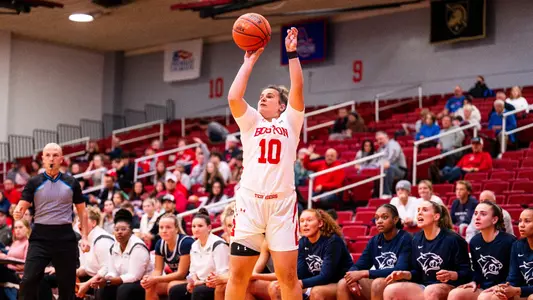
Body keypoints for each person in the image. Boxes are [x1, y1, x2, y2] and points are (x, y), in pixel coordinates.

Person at [224, 27, 305, 300]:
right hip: (250, 204)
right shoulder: (251, 121)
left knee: (288, 278)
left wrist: (292, 53)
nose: (263, 98)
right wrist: (248, 62)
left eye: (269, 96)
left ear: (282, 105)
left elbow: (298, 87)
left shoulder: (291, 122)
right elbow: (234, 97)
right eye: (261, 95)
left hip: (281, 206)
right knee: (237, 276)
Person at [13, 143, 90, 300]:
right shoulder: (34, 182)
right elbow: (22, 205)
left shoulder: (72, 182)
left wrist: (85, 237)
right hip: (40, 237)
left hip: (65, 237)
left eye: (55, 155)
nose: (51, 159)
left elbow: (82, 211)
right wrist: (18, 212)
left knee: (67, 286)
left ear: (61, 159)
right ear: (42, 159)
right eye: (48, 155)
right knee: (28, 280)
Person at [383, 201, 471, 300]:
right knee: (390, 290)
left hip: (452, 287)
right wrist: (406, 274)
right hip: (424, 286)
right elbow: (417, 272)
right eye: (418, 210)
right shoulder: (416, 239)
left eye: (424, 210)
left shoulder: (454, 239)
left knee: (431, 291)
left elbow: (467, 273)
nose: (419, 213)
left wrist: (452, 275)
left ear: (436, 217)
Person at [268, 209, 353, 300]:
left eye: (309, 220)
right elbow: (300, 272)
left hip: (339, 283)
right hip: (315, 283)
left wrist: (300, 283)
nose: (305, 224)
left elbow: (326, 276)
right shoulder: (302, 242)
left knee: (317, 292)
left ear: (320, 223)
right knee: (275, 287)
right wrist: (288, 282)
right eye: (302, 221)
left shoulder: (333, 241)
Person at [337, 204, 412, 300]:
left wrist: (366, 273)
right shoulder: (374, 241)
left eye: (384, 217)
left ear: (395, 219)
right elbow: (359, 265)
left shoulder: (406, 238)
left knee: (378, 283)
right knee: (343, 283)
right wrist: (351, 278)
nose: (379, 221)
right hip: (380, 281)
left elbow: (400, 269)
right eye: (377, 218)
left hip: (401, 282)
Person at [448, 201, 516, 300]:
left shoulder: (510, 241)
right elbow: (477, 270)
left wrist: (501, 286)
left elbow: (515, 273)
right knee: (455, 294)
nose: (477, 217)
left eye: (483, 214)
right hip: (485, 288)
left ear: (494, 219)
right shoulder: (474, 241)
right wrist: (474, 281)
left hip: (505, 288)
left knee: (484, 298)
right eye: (476, 213)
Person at [91, 209, 153, 300]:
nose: (119, 232)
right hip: (124, 282)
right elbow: (112, 272)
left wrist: (108, 281)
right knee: (102, 289)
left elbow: (134, 276)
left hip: (144, 283)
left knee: (124, 289)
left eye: (123, 229)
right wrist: (104, 279)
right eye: (116, 229)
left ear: (131, 231)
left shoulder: (138, 246)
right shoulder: (114, 247)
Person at [168, 208, 230, 300]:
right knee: (175, 291)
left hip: (216, 284)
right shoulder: (194, 245)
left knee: (199, 291)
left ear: (209, 228)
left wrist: (200, 283)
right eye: (194, 226)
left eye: (200, 226)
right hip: (199, 283)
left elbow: (222, 274)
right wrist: (193, 282)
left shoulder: (218, 244)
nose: (196, 229)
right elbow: (193, 271)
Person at [479, 208, 533, 300]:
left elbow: (518, 289)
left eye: (527, 221)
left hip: (526, 292)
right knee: (490, 297)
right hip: (524, 290)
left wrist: (517, 290)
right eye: (520, 221)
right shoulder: (517, 245)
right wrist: (503, 287)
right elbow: (513, 278)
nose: (521, 225)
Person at [141, 213, 194, 300]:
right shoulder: (159, 244)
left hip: (193, 278)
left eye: (168, 227)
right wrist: (150, 278)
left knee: (172, 286)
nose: (164, 230)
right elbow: (158, 270)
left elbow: (181, 274)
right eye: (161, 227)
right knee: (149, 285)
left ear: (176, 229)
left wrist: (155, 279)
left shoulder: (185, 243)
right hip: (178, 278)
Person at [75, 206, 115, 298]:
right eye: (78, 220)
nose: (79, 224)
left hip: (108, 278)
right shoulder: (83, 240)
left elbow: (106, 269)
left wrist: (87, 284)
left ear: (93, 222)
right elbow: (86, 268)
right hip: (93, 276)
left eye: (82, 220)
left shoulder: (102, 240)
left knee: (100, 286)